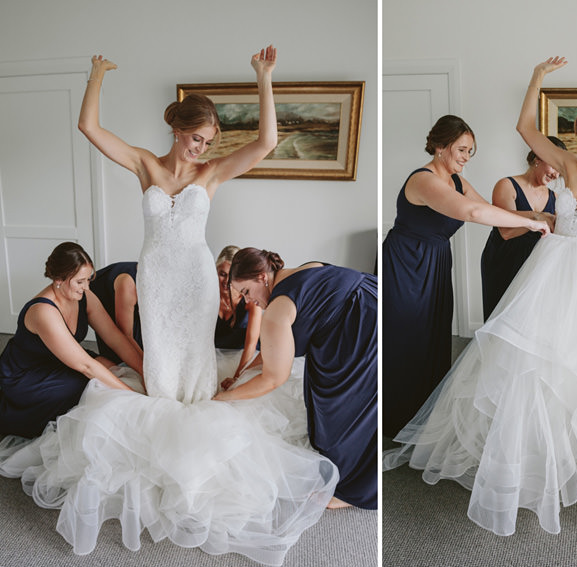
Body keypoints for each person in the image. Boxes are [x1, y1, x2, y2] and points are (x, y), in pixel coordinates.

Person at [0, 48, 339, 566]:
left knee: (196, 355)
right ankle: (162, 425)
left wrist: (263, 77)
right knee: (159, 358)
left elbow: (268, 142)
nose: (201, 147)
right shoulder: (145, 164)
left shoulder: (212, 175)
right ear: (177, 129)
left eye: (208, 141)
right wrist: (95, 75)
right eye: (195, 137)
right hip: (156, 279)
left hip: (197, 280)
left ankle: (200, 419)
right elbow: (88, 126)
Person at [385, 52, 577, 540]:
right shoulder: (568, 165)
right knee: (530, 367)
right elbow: (525, 128)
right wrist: (535, 77)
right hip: (550, 271)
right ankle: (532, 456)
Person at [383, 115, 551, 437]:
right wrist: (532, 224)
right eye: (461, 149)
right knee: (406, 334)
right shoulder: (423, 180)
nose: (466, 157)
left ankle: (423, 411)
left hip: (435, 261)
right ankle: (395, 416)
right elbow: (471, 213)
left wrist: (538, 215)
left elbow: (490, 209)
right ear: (439, 146)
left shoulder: (457, 181)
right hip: (406, 263)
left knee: (433, 332)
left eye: (471, 152)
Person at [213, 248, 378, 511]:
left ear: (261, 277)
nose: (248, 302)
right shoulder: (304, 268)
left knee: (343, 411)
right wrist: (240, 377)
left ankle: (353, 490)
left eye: (245, 292)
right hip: (374, 299)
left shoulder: (277, 310)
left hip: (360, 331)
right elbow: (271, 352)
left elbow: (273, 379)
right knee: (367, 403)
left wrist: (224, 397)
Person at [0, 243, 142, 438]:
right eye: (79, 281)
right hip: (28, 375)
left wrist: (146, 371)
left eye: (88, 279)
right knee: (94, 386)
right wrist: (134, 397)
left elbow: (116, 338)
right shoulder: (43, 311)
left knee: (118, 372)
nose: (86, 287)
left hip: (64, 359)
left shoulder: (84, 296)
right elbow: (86, 366)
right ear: (59, 279)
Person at [480, 136, 566, 319]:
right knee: (501, 317)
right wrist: (536, 217)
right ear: (538, 158)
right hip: (505, 260)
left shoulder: (555, 197)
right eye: (554, 166)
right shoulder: (506, 185)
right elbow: (506, 231)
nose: (556, 175)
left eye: (560, 170)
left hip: (535, 265)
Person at [214, 245, 263, 388]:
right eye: (222, 274)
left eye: (231, 276)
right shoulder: (207, 297)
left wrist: (237, 378)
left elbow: (250, 345)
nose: (226, 281)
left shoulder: (251, 302)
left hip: (242, 357)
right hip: (215, 356)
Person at [88, 261, 143, 364]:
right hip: (106, 297)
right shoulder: (128, 285)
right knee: (121, 356)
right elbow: (125, 334)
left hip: (129, 299)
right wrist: (148, 369)